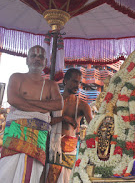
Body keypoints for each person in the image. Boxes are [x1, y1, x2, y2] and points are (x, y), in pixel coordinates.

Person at [0, 45, 63, 182]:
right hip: (16, 132)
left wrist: (26, 103)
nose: (37, 59)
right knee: (7, 170)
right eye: (33, 56)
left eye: (41, 57)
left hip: (38, 137)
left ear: (45, 62)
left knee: (32, 173)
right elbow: (13, 99)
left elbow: (58, 105)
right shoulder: (17, 77)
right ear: (27, 60)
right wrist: (44, 107)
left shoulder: (51, 85)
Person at [46, 68, 92, 183]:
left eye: (79, 82)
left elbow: (93, 126)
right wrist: (63, 118)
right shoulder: (53, 101)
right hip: (50, 145)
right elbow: (45, 121)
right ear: (66, 80)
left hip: (68, 149)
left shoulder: (83, 105)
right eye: (74, 81)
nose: (77, 85)